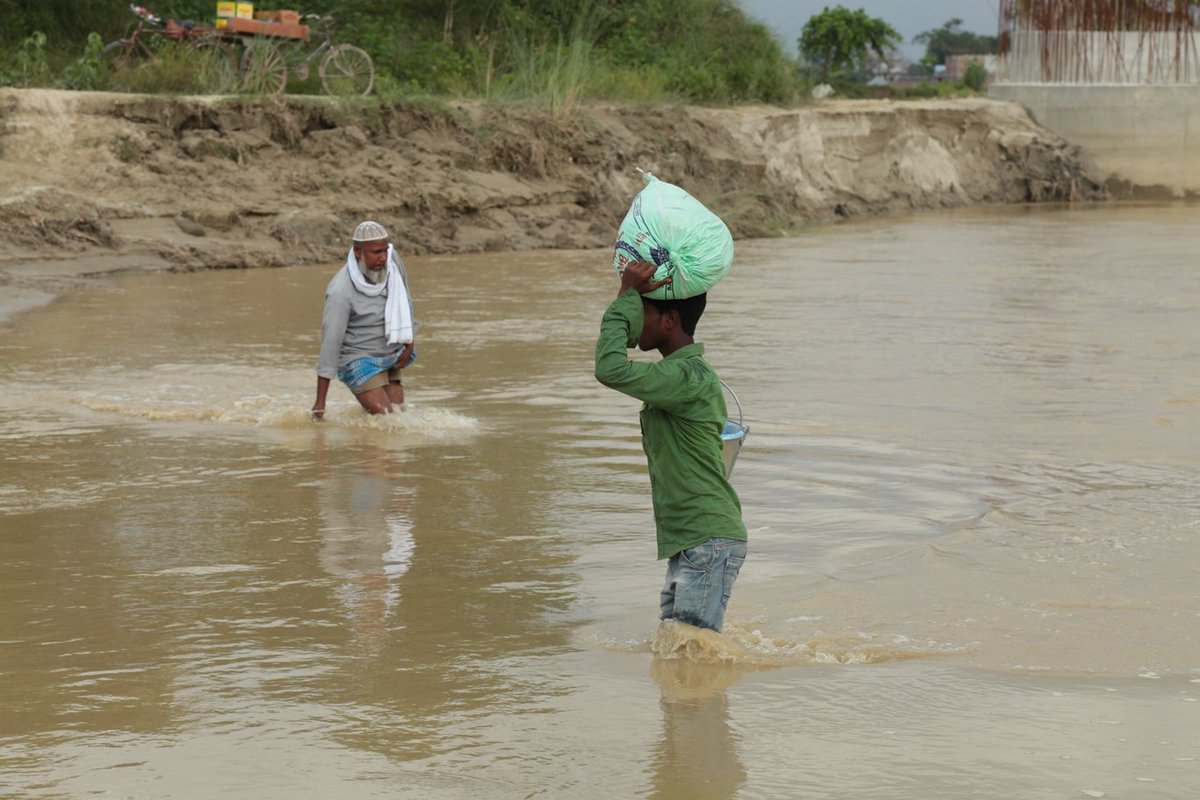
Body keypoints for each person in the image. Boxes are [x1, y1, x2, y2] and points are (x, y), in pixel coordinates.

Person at [594, 260, 748, 633]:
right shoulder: (682, 375)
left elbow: (610, 368)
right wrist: (632, 299)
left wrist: (626, 295)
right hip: (694, 540)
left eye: (643, 313)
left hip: (706, 540)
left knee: (690, 655)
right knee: (680, 655)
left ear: (670, 320)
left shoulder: (684, 376)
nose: (637, 321)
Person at [313, 220, 416, 419]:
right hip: (357, 357)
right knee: (387, 420)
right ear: (358, 251)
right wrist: (320, 403)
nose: (383, 258)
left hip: (389, 351)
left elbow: (406, 300)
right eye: (376, 252)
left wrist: (409, 344)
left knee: (399, 417)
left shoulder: (393, 262)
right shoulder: (340, 291)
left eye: (385, 250)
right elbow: (330, 343)